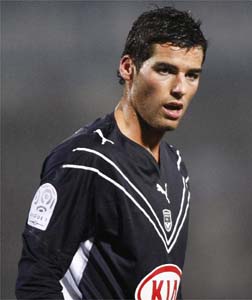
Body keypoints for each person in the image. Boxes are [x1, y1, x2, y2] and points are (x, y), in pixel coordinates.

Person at [15, 6, 207, 300]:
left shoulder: (176, 167)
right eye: (165, 70)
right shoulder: (84, 162)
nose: (180, 88)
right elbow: (36, 283)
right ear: (128, 68)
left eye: (192, 75)